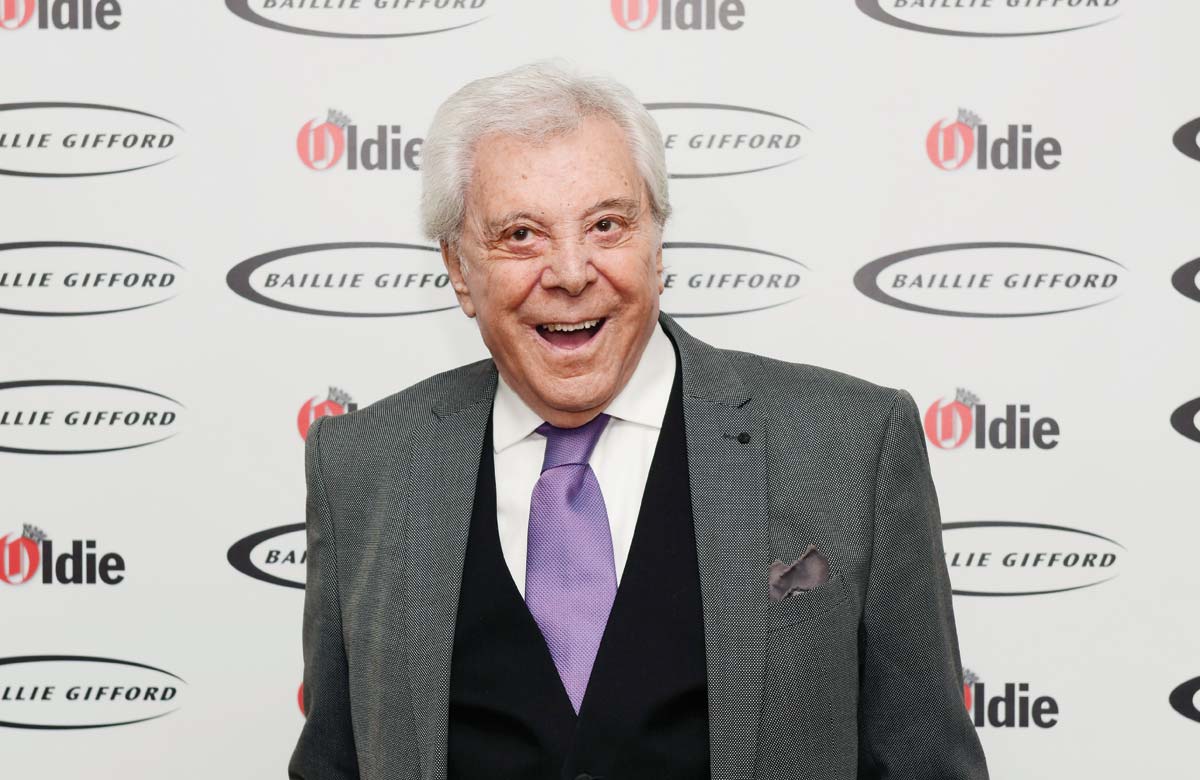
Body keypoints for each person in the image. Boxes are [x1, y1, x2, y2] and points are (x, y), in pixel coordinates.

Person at [289, 60, 989, 780]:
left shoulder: (853, 445)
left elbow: (925, 765)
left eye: (606, 225)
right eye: (521, 234)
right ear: (460, 270)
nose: (569, 271)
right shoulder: (360, 467)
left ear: (657, 245)